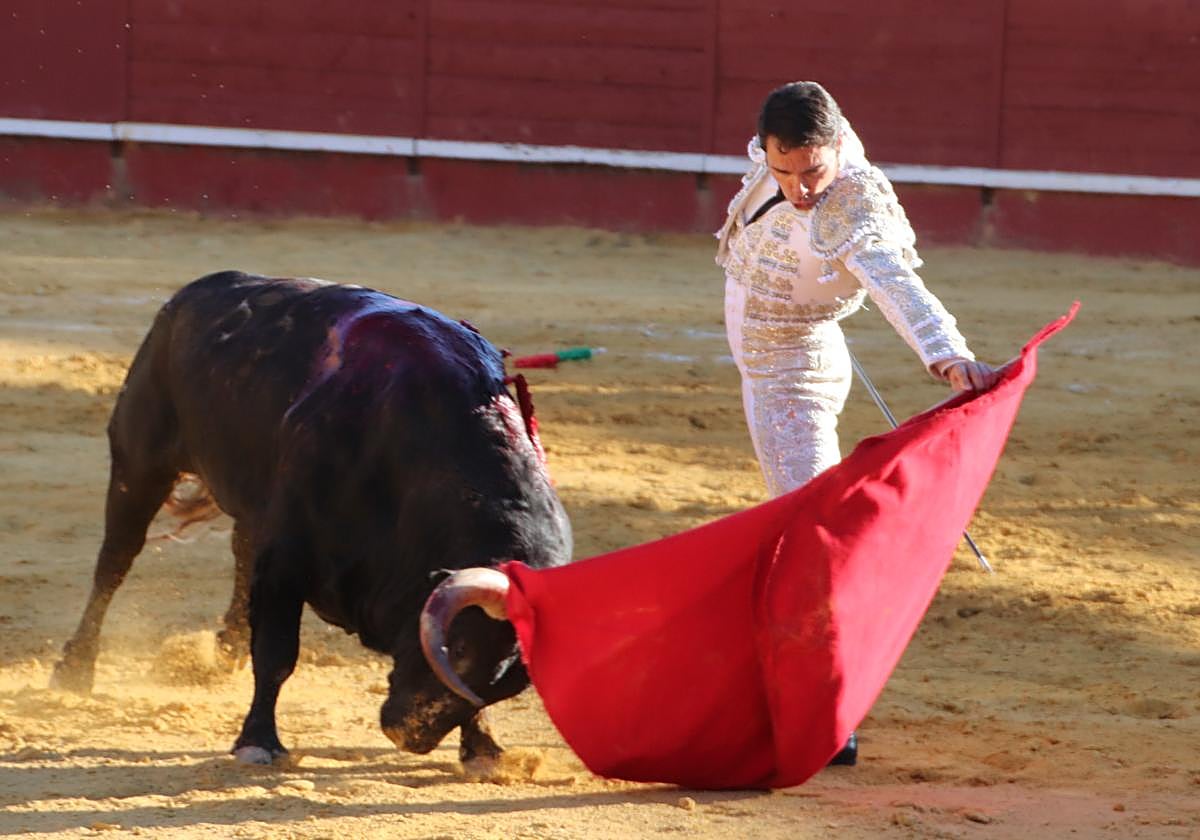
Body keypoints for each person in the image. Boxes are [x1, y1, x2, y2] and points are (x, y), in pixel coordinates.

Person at [714, 81, 1001, 766]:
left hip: (792, 374)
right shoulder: (784, 147)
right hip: (787, 353)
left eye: (812, 171)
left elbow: (895, 281)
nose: (799, 189)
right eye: (783, 172)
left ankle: (830, 711)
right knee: (808, 529)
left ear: (838, 147)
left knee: (807, 539)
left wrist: (946, 352)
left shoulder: (853, 204)